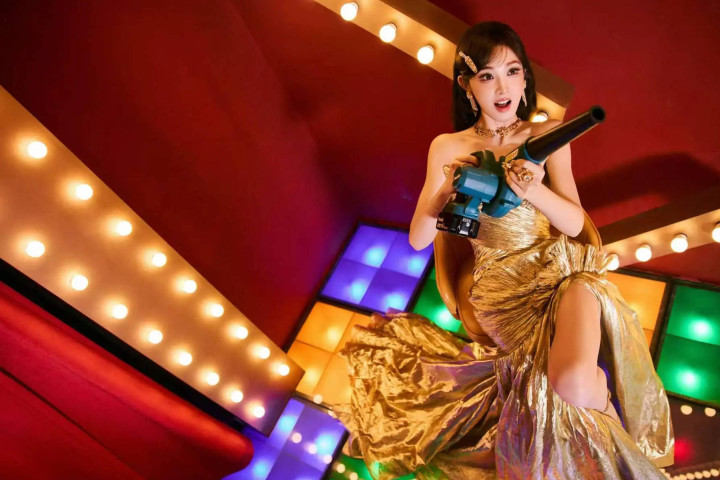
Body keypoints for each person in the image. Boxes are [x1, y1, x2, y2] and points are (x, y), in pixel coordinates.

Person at [335, 22, 674, 480]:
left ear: (525, 78)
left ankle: (620, 430)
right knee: (550, 411)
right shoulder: (449, 147)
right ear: (467, 85)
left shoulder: (549, 135)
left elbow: (576, 224)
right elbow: (418, 238)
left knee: (574, 385)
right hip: (501, 298)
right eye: (488, 76)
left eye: (513, 72)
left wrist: (534, 190)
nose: (503, 88)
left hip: (561, 276)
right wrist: (446, 191)